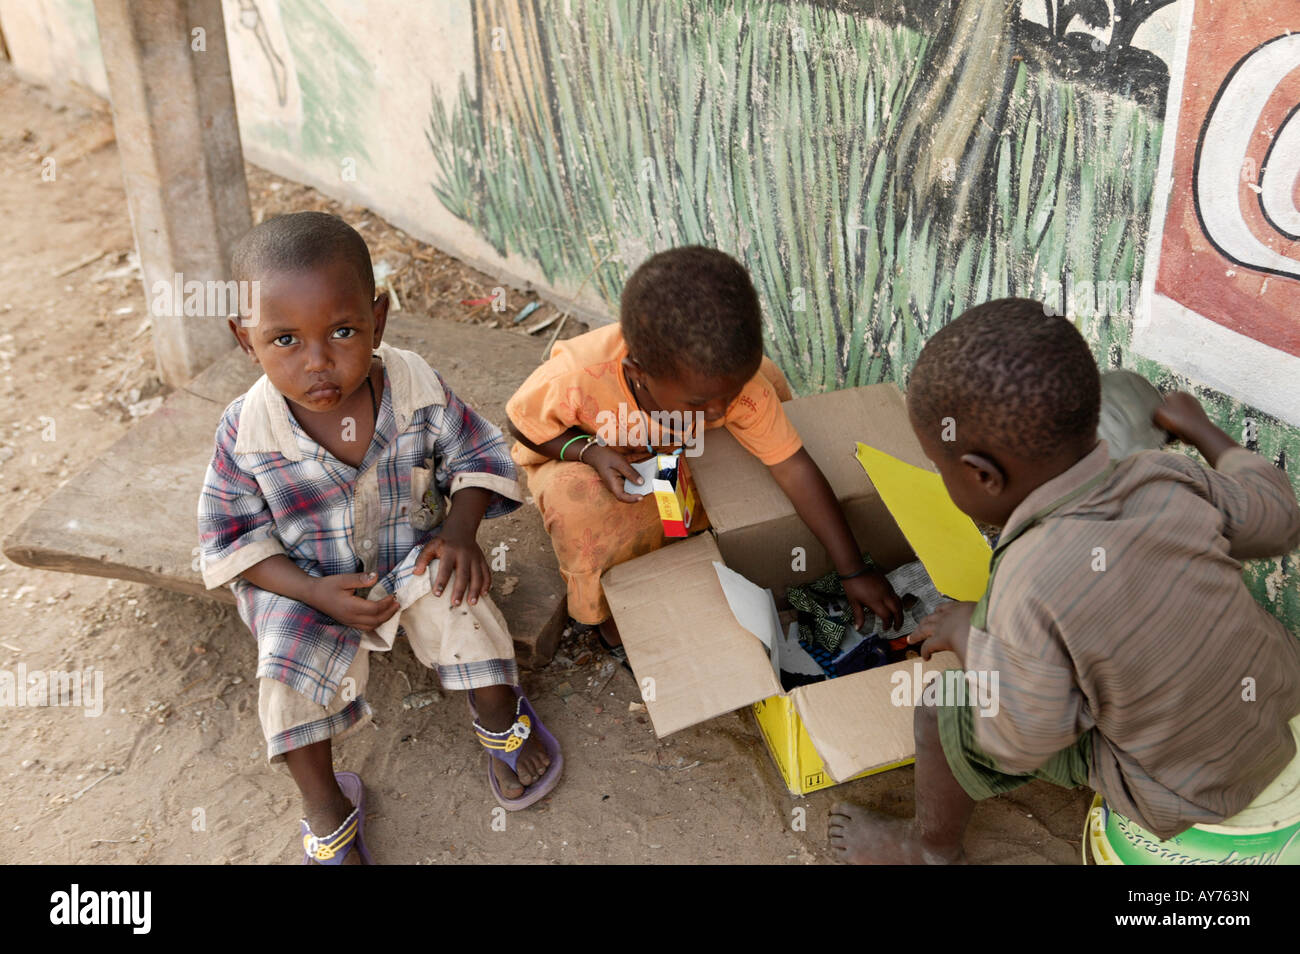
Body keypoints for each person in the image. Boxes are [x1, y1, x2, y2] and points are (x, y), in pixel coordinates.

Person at [829, 297, 1300, 864]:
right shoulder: (1170, 476)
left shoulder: (1027, 580)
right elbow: (1278, 518)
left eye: (940, 465)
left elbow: (1025, 736)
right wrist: (1202, 431)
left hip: (1175, 790)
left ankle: (928, 850)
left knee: (940, 706)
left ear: (982, 475)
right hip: (1276, 708)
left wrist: (972, 643)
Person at [197, 212, 561, 865]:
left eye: (342, 331)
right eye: (284, 339)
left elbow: (475, 454)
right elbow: (234, 542)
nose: (317, 361)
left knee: (464, 597)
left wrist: (459, 530)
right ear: (243, 339)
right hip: (306, 581)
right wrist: (312, 592)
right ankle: (325, 805)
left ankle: (501, 721)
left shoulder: (414, 387)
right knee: (284, 675)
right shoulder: (245, 430)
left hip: (408, 551)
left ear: (379, 318)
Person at [505, 246, 905, 662]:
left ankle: (695, 533)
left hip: (679, 458)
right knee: (578, 506)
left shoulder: (729, 388)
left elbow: (792, 467)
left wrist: (852, 570)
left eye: (729, 394)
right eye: (700, 402)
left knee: (764, 388)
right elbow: (522, 421)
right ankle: (611, 618)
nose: (718, 411)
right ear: (637, 373)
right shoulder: (577, 375)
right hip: (596, 461)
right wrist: (587, 450)